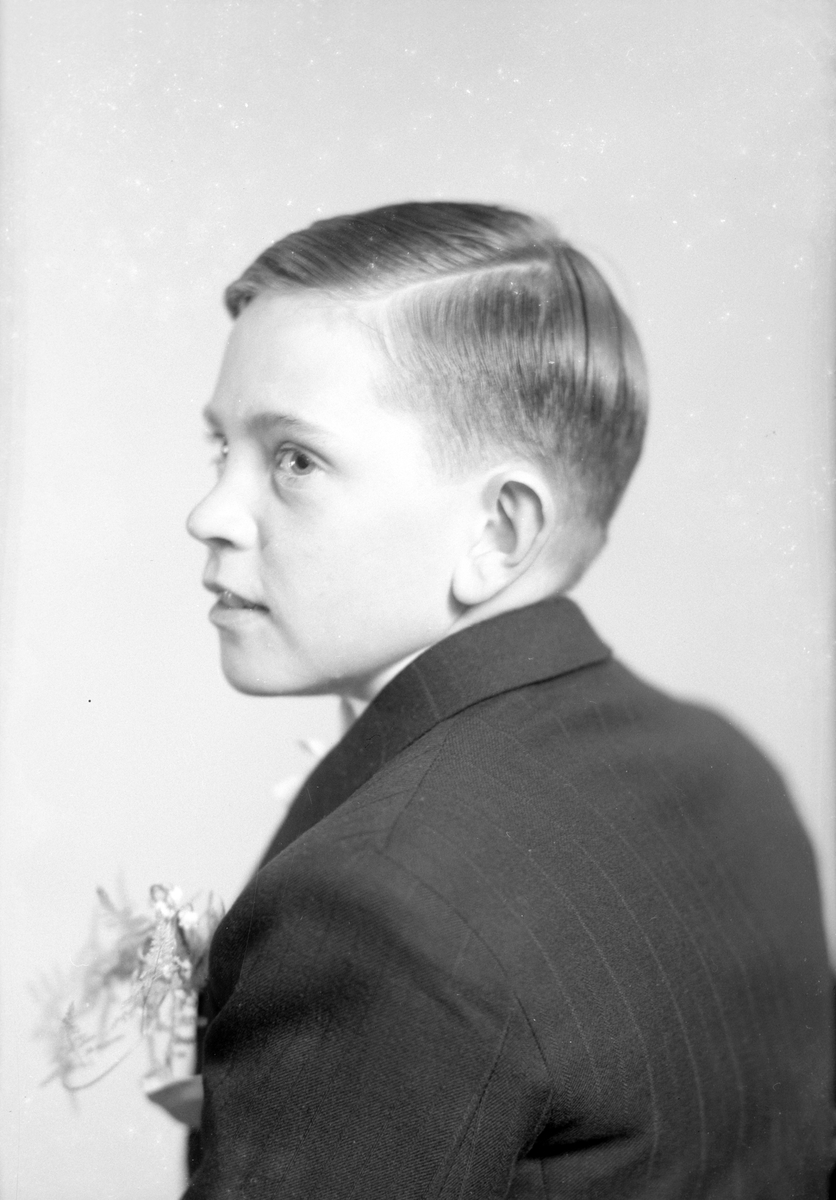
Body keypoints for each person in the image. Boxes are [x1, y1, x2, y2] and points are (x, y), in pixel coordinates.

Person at [183, 201, 834, 1197]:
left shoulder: (373, 907)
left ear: (498, 531)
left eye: (294, 460)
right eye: (219, 449)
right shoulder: (727, 766)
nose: (211, 513)